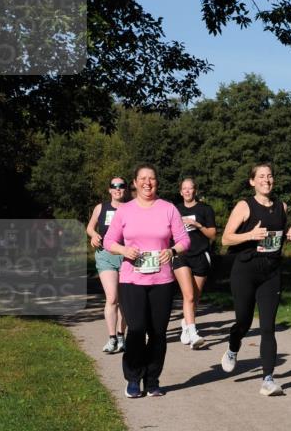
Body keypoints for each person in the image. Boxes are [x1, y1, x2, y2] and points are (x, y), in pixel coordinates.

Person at [103, 164, 190, 398]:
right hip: (132, 280)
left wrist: (172, 251)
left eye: (151, 178)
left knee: (158, 332)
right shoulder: (125, 211)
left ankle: (152, 380)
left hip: (162, 281)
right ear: (134, 182)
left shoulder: (168, 209)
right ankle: (133, 379)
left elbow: (183, 240)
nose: (147, 182)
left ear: (157, 183)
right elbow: (108, 241)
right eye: (142, 178)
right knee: (137, 329)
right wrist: (124, 250)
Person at [220, 163, 291, 396]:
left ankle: (268, 379)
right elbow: (226, 239)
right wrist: (250, 235)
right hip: (245, 271)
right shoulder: (245, 206)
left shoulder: (281, 207)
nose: (267, 179)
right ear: (252, 181)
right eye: (261, 176)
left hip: (271, 274)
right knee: (243, 322)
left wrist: (290, 235)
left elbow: (278, 236)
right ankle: (233, 347)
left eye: (270, 176)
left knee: (267, 327)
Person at [173, 177, 217, 349]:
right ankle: (193, 333)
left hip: (200, 255)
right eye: (184, 188)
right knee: (189, 295)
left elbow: (213, 235)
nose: (187, 191)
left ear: (195, 191)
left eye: (190, 188)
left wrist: (197, 224)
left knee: (195, 297)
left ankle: (185, 324)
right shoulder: (175, 210)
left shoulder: (205, 209)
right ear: (180, 191)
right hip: (181, 255)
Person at [86, 178, 129, 353]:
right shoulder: (100, 208)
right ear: (109, 190)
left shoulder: (131, 208)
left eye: (121, 186)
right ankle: (111, 338)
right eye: (114, 186)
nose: (118, 189)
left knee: (124, 300)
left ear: (125, 190)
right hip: (105, 255)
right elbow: (90, 228)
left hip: (126, 256)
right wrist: (94, 235)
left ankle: (121, 336)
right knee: (112, 298)